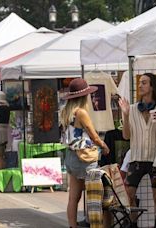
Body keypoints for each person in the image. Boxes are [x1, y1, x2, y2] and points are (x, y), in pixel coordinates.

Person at [118, 72, 156, 227]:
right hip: (136, 159)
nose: (140, 86)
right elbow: (126, 136)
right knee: (129, 194)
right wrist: (126, 114)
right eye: (140, 83)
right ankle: (133, 223)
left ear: (152, 86)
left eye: (144, 83)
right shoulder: (132, 109)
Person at [60, 78, 110, 228]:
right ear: (84, 96)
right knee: (93, 196)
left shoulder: (65, 112)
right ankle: (94, 224)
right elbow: (93, 135)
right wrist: (104, 146)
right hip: (85, 157)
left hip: (71, 155)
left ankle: (72, 225)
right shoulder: (81, 112)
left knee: (73, 197)